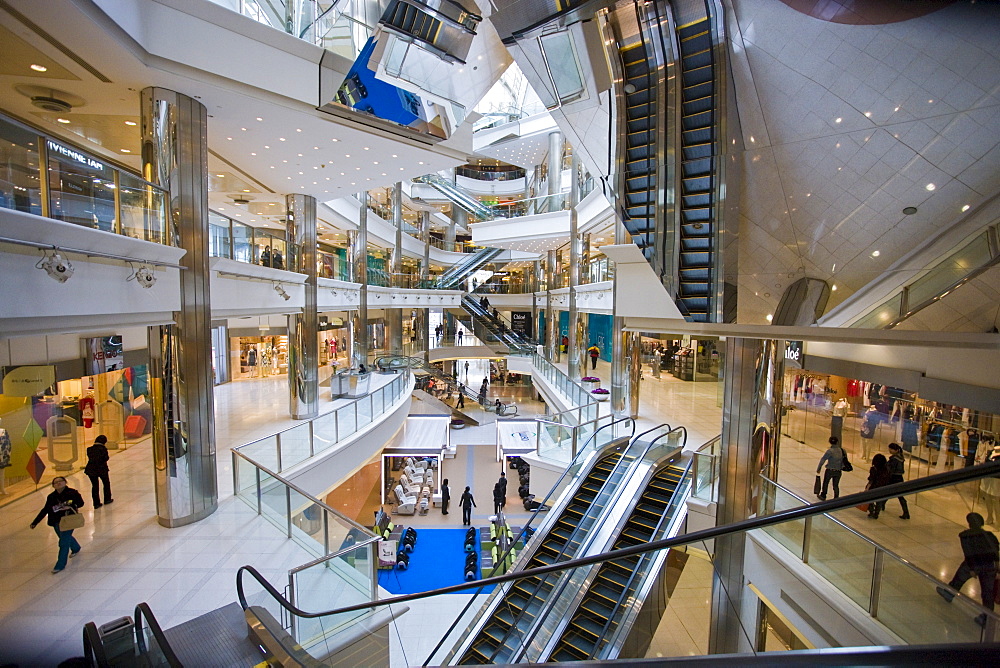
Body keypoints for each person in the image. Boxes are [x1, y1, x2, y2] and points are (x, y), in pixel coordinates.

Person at [937, 512, 998, 619]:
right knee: (987, 592)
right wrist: (997, 565)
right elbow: (996, 551)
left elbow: (969, 553)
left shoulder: (966, 536)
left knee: (960, 577)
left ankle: (949, 593)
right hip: (989, 565)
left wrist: (972, 569)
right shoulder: (990, 535)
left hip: (975, 564)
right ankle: (987, 617)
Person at [30, 476, 85, 573]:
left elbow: (80, 503)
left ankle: (60, 565)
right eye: (56, 482)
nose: (58, 483)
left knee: (63, 543)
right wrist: (35, 522)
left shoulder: (72, 493)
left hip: (68, 520)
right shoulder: (51, 497)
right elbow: (46, 510)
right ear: (53, 486)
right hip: (56, 521)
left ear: (65, 482)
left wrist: (69, 506)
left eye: (61, 481)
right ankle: (76, 547)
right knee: (65, 538)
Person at [84, 434, 113, 508]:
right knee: (106, 484)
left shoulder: (89, 449)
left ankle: (96, 503)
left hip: (91, 469)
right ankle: (107, 499)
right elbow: (106, 458)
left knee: (95, 486)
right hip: (102, 469)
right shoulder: (103, 449)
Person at [887, 443, 910, 519]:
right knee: (899, 496)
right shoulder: (900, 457)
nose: (889, 450)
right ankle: (906, 512)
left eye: (891, 449)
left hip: (894, 478)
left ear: (895, 450)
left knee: (886, 492)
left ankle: (880, 506)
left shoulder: (894, 459)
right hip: (899, 478)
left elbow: (891, 469)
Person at [865, 453, 891, 519]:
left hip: (874, 487)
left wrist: (867, 488)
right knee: (879, 501)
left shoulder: (873, 469)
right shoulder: (886, 469)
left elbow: (871, 479)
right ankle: (876, 513)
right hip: (882, 487)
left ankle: (871, 512)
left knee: (870, 499)